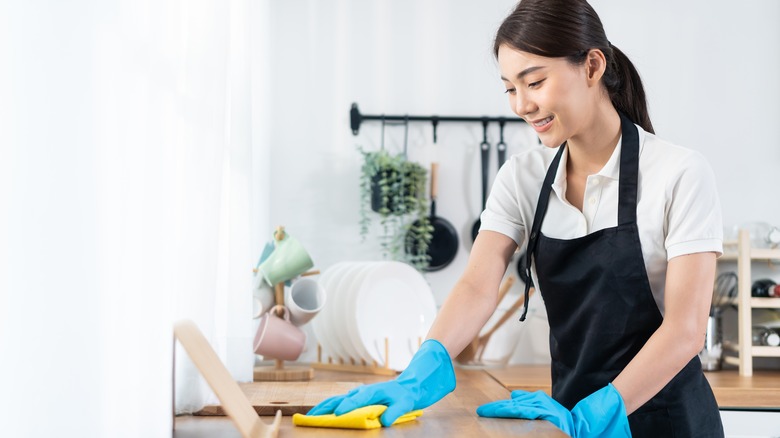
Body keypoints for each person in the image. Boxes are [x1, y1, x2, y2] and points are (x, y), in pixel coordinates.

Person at [309, 0, 724, 436]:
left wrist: (602, 411)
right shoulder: (523, 178)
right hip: (566, 423)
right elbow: (476, 285)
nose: (522, 105)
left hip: (669, 423)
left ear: (592, 66)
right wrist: (419, 373)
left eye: (535, 82)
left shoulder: (679, 174)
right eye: (510, 88)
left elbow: (686, 329)